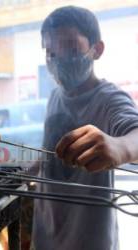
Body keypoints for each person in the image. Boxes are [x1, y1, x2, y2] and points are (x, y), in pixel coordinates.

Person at [31, 6, 138, 250]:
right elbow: (50, 154)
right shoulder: (55, 96)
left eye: (70, 47)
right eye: (50, 52)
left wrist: (119, 146)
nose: (57, 58)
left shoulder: (109, 99)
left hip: (88, 241)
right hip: (46, 237)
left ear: (96, 50)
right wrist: (24, 171)